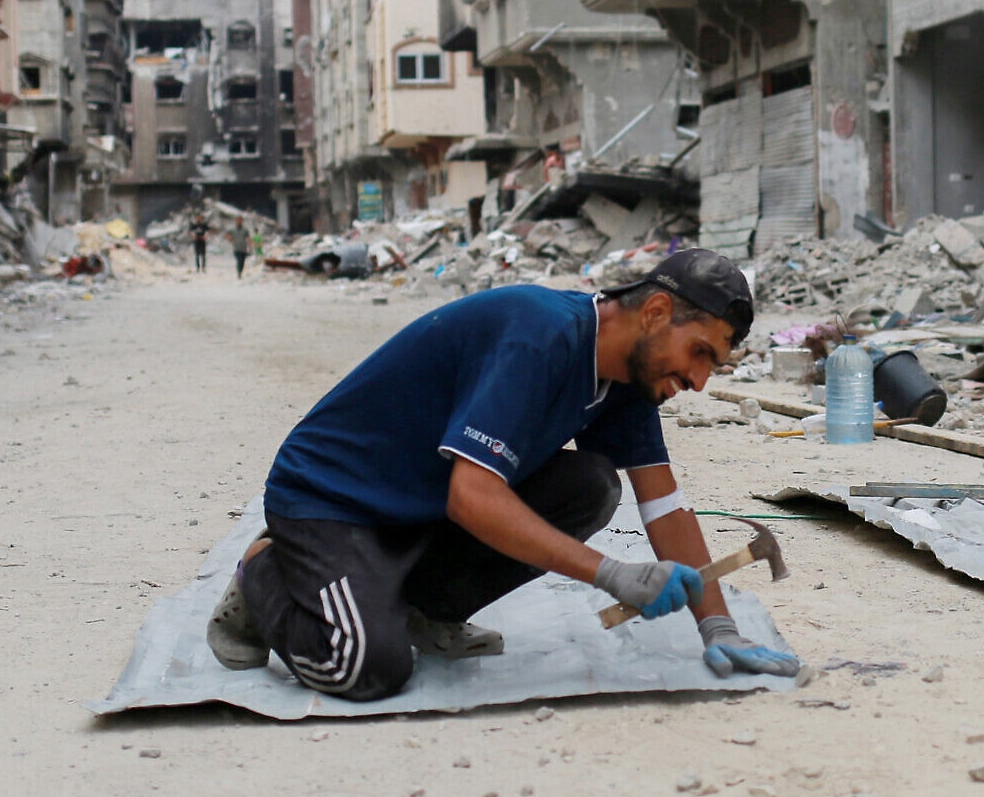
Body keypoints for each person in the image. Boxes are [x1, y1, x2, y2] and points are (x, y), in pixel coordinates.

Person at [206, 248, 801, 701]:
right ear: (654, 311)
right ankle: (267, 568)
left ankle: (423, 605)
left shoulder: (629, 380)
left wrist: (718, 626)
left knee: (591, 486)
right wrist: (611, 573)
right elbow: (472, 497)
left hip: (420, 504)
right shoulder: (539, 337)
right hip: (334, 500)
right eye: (700, 353)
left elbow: (664, 504)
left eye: (714, 366)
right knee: (363, 665)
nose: (700, 381)